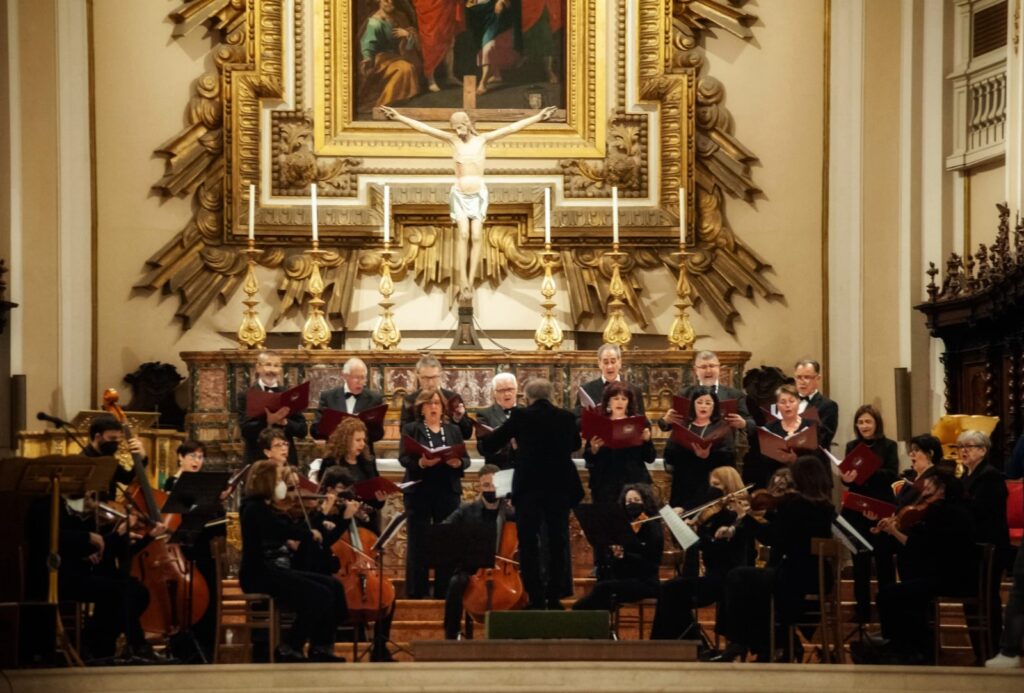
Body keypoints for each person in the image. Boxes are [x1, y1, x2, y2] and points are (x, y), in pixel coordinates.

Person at [380, 105, 556, 301]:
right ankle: (463, 280)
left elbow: (512, 128)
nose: (457, 131)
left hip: (478, 195)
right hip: (460, 195)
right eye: (454, 128)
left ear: (467, 124)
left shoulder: (482, 140)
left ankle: (470, 281)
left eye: (459, 127)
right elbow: (424, 128)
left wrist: (538, 117)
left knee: (477, 236)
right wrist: (399, 117)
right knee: (463, 234)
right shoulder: (453, 140)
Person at [710, 456, 836, 662]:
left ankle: (740, 642)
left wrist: (746, 517)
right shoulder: (826, 507)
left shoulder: (795, 504)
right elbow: (790, 532)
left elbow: (773, 539)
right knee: (754, 582)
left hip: (794, 576)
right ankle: (771, 645)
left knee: (737, 577)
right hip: (818, 577)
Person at [480, 378, 582, 609]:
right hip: (559, 487)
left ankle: (535, 598)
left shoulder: (520, 416)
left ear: (526, 398)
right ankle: (554, 597)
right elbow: (575, 444)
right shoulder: (566, 417)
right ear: (552, 396)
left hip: (529, 489)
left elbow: (490, 445)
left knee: (528, 543)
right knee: (557, 541)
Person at [863, 469, 979, 665]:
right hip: (956, 575)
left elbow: (919, 546)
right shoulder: (957, 509)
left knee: (888, 594)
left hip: (950, 578)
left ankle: (900, 646)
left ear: (941, 490)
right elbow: (925, 545)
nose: (924, 491)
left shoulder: (942, 512)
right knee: (906, 593)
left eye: (929, 487)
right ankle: (912, 646)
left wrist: (893, 531)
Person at [238, 460, 347, 662]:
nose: (281, 484)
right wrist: (309, 533)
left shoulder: (261, 506)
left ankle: (321, 647)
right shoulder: (253, 507)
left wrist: (311, 527)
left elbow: (283, 527)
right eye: (278, 479)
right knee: (319, 593)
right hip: (258, 574)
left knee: (333, 586)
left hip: (270, 571)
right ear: (267, 481)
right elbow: (278, 529)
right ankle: (290, 645)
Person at [651, 466, 755, 642]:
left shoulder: (736, 515)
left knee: (671, 590)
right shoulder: (714, 512)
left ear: (729, 486)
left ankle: (681, 642)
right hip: (710, 574)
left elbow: (722, 550)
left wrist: (699, 535)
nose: (712, 490)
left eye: (717, 485)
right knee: (671, 591)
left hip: (725, 577)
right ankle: (685, 642)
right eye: (711, 485)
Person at [398, 389, 471, 598]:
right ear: (421, 408)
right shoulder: (411, 429)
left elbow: (466, 459)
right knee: (418, 541)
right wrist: (421, 462)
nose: (433, 407)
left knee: (446, 541)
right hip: (419, 491)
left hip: (447, 491)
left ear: (443, 408)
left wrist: (458, 463)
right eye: (428, 403)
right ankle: (416, 593)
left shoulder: (453, 430)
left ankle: (444, 592)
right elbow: (404, 457)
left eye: (437, 403)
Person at [837, 405, 899, 623]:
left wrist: (867, 471)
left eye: (868, 422)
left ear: (876, 424)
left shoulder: (889, 446)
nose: (863, 426)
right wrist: (846, 478)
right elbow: (848, 477)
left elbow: (892, 475)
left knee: (884, 561)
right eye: (860, 422)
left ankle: (888, 611)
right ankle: (862, 611)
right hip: (856, 508)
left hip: (880, 507)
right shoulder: (852, 446)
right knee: (860, 561)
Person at [957, 429, 1011, 654]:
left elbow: (983, 509)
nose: (963, 451)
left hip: (990, 547)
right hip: (972, 547)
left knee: (987, 598)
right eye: (960, 447)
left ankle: (992, 648)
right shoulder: (964, 477)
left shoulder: (991, 476)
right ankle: (979, 650)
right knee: (970, 597)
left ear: (983, 450)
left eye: (969, 446)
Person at [572, 484, 663, 613]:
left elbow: (650, 564)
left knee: (602, 590)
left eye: (636, 500)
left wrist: (625, 555)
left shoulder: (652, 527)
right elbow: (621, 564)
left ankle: (587, 617)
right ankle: (598, 620)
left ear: (645, 502)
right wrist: (616, 555)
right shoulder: (624, 527)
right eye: (628, 501)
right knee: (602, 588)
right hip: (626, 580)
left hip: (646, 583)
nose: (632, 504)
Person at [441, 464, 507, 639]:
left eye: (494, 485)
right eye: (486, 485)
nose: (491, 489)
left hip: (505, 568)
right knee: (456, 582)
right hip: (471, 568)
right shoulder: (466, 510)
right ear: (479, 486)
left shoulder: (510, 512)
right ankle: (451, 634)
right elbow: (444, 531)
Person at [658, 350, 754, 463]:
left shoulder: (734, 395)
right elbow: (668, 426)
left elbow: (751, 424)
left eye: (712, 366)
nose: (708, 370)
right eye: (703, 367)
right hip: (688, 457)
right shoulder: (685, 393)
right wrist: (666, 420)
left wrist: (743, 423)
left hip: (721, 456)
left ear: (719, 368)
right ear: (695, 370)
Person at [662, 386, 732, 515]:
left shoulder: (721, 427)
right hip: (682, 480)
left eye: (708, 403)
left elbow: (728, 458)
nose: (703, 406)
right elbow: (669, 454)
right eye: (699, 402)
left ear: (714, 406)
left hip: (707, 481)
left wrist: (707, 456)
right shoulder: (683, 424)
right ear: (693, 405)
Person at [583, 381, 655, 506]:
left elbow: (650, 458)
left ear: (629, 402)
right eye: (615, 398)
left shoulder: (640, 422)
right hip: (605, 483)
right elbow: (588, 457)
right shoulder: (599, 423)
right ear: (608, 401)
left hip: (633, 482)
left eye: (624, 399)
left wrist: (647, 441)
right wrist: (593, 450)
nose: (620, 402)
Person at [312, 418, 386, 529]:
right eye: (358, 440)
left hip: (366, 524)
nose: (362, 444)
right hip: (339, 521)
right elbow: (323, 495)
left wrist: (380, 499)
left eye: (363, 440)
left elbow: (376, 502)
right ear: (345, 440)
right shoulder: (330, 462)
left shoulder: (367, 463)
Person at [239, 351, 307, 466]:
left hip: (286, 461)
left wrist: (285, 422)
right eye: (268, 364)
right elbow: (245, 431)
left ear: (280, 369)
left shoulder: (290, 395)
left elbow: (302, 431)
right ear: (258, 367)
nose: (272, 370)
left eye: (276, 366)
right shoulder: (246, 395)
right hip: (257, 460)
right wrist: (267, 421)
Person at [746, 384, 814, 490]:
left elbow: (816, 457)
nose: (787, 405)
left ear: (798, 402)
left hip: (804, 480)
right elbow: (762, 459)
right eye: (783, 402)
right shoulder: (769, 428)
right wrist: (781, 457)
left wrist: (796, 459)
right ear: (777, 405)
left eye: (791, 401)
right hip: (776, 481)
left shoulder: (810, 426)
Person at [358, 0, 422, 109]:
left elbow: (411, 39)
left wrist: (407, 34)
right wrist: (367, 58)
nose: (390, 4)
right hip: (381, 59)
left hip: (396, 56)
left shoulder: (399, 16)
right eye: (386, 1)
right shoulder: (375, 22)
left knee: (409, 67)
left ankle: (401, 98)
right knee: (404, 68)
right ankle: (385, 102)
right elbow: (368, 43)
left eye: (392, 2)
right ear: (379, 1)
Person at [312, 357, 386, 452]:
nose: (360, 382)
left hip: (363, 456)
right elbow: (315, 431)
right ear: (345, 376)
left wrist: (361, 429)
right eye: (356, 377)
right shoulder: (328, 397)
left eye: (363, 377)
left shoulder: (374, 399)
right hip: (335, 454)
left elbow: (378, 434)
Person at [399, 355, 473, 440]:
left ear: (440, 375)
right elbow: (404, 433)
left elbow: (467, 434)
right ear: (418, 376)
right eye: (425, 378)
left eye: (434, 377)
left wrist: (459, 419)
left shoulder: (453, 398)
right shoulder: (410, 400)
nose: (430, 383)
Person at [80, 413, 148, 499]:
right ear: (98, 437)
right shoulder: (82, 461)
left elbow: (127, 479)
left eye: (119, 438)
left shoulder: (108, 457)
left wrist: (142, 458)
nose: (117, 442)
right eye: (112, 438)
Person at [575, 343, 646, 423]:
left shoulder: (634, 390)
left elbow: (643, 421)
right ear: (599, 363)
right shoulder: (586, 390)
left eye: (613, 361)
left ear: (620, 362)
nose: (609, 366)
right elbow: (577, 421)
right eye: (606, 362)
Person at [475, 372, 521, 470]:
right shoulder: (484, 414)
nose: (507, 394)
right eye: (501, 390)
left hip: (523, 469)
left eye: (510, 389)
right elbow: (481, 449)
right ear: (494, 393)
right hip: (497, 469)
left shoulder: (527, 411)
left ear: (516, 390)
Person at [792, 359, 839, 452]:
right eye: (799, 377)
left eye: (807, 377)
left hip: (812, 459)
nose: (802, 381)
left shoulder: (828, 406)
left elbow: (824, 439)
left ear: (818, 378)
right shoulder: (788, 403)